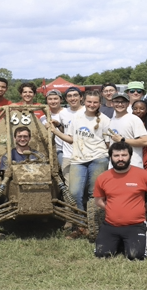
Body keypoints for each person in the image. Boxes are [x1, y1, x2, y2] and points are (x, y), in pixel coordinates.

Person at [49, 90, 111, 238]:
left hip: (98, 158)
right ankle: (80, 225)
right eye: (89, 102)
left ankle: (94, 226)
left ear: (99, 103)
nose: (92, 104)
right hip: (78, 159)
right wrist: (55, 130)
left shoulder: (105, 120)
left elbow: (108, 143)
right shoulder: (76, 117)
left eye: (95, 102)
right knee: (74, 193)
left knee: (93, 194)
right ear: (84, 102)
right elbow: (71, 139)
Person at [94, 142, 147, 260]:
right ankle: (120, 242)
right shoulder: (102, 178)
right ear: (111, 157)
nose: (120, 158)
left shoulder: (143, 175)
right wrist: (112, 210)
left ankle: (127, 242)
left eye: (124, 155)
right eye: (116, 156)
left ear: (130, 156)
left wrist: (145, 208)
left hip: (135, 225)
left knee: (135, 256)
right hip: (110, 225)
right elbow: (98, 200)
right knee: (102, 254)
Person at [108, 92, 147, 168]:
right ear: (112, 103)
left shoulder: (134, 119)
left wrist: (122, 140)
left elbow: (145, 141)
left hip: (133, 165)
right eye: (117, 101)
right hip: (114, 167)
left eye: (123, 102)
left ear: (128, 104)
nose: (120, 104)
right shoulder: (110, 121)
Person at [58, 87, 85, 186]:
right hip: (68, 155)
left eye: (75, 95)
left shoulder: (88, 111)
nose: (72, 98)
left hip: (85, 155)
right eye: (69, 96)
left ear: (81, 97)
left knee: (83, 186)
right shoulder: (63, 113)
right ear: (66, 99)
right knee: (70, 185)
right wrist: (58, 126)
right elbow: (65, 131)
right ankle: (72, 202)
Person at [41, 89, 64, 166]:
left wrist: (58, 125)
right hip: (52, 150)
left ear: (61, 100)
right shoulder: (43, 118)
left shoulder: (67, 113)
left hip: (67, 150)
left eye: (55, 98)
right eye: (50, 99)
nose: (53, 101)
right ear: (47, 101)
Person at [132, 100, 147, 172]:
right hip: (132, 163)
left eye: (142, 108)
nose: (138, 111)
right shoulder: (128, 126)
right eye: (135, 109)